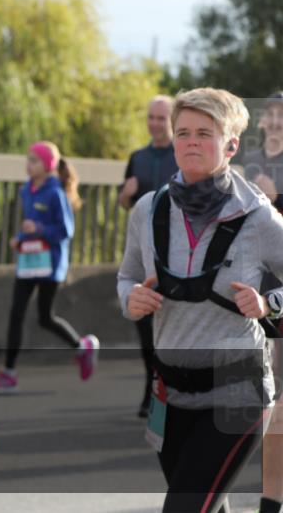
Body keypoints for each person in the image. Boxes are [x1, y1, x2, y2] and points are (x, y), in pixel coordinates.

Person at [118, 87, 283, 513]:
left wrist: (269, 304)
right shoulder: (147, 211)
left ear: (231, 146)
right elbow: (127, 277)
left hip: (237, 388)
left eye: (205, 134)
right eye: (184, 133)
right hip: (170, 392)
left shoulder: (257, 215)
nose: (191, 142)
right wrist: (130, 298)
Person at [0, 141, 99, 394]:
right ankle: (9, 373)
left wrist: (38, 229)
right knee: (16, 313)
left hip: (50, 264)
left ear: (48, 165)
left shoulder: (56, 193)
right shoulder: (26, 190)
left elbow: (65, 230)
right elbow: (31, 223)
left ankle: (82, 346)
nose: (28, 164)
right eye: (28, 159)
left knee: (45, 317)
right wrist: (20, 238)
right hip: (29, 262)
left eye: (34, 160)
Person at [118, 95, 179, 418]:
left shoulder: (183, 155)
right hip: (144, 256)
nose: (155, 124)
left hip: (177, 256)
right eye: (151, 117)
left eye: (161, 118)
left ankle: (172, 393)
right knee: (145, 329)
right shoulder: (137, 158)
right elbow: (125, 203)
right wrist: (125, 195)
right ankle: (150, 390)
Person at [242, 91, 283, 513]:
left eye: (281, 115)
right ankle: (270, 500)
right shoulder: (251, 162)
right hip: (259, 282)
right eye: (269, 114)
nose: (274, 121)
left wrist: (276, 200)